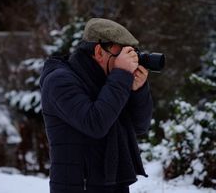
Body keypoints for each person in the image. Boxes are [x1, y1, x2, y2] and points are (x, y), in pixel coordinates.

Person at [40, 18, 153, 193]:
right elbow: (95, 124)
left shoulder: (110, 81)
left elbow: (139, 126)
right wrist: (121, 74)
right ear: (99, 51)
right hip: (78, 187)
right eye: (120, 55)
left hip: (114, 184)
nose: (128, 62)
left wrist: (138, 91)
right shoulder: (59, 81)